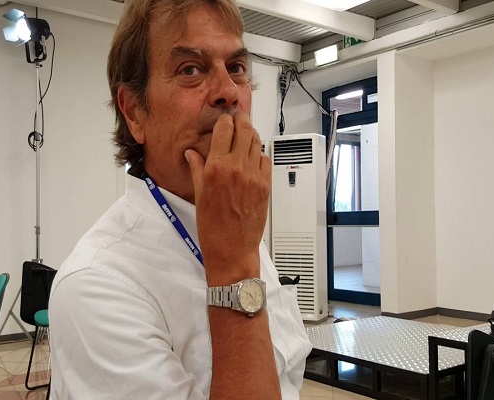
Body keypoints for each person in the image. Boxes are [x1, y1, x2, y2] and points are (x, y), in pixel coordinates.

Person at [48, 0, 312, 399]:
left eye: (236, 68)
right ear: (134, 113)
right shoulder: (95, 285)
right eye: (190, 69)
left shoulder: (240, 228)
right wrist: (234, 273)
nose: (228, 92)